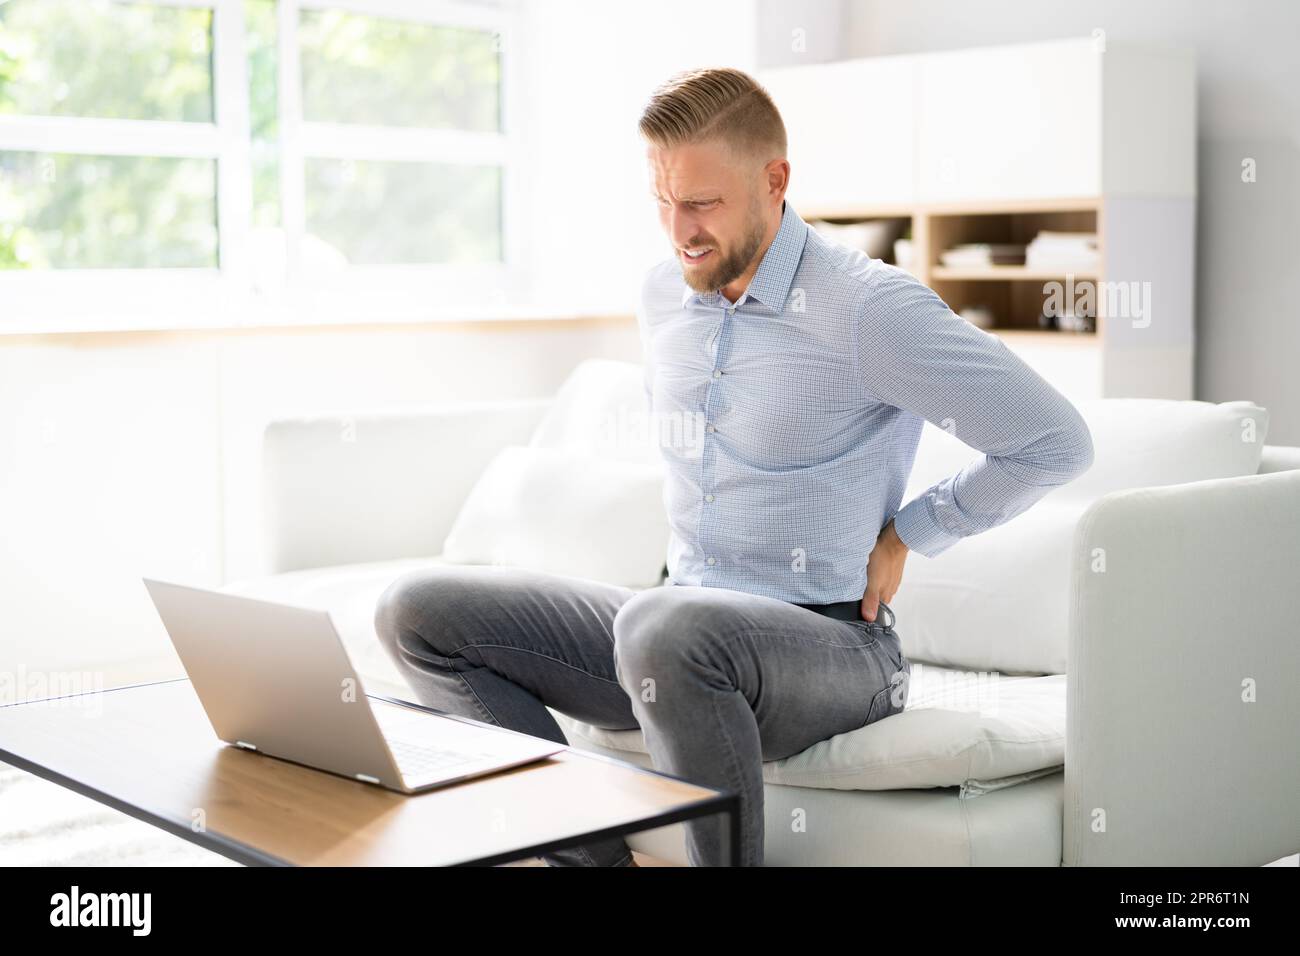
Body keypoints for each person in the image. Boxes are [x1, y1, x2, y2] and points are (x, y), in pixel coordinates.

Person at [374, 67, 1094, 867]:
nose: (678, 229)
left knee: (664, 628)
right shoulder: (662, 295)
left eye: (702, 204)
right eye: (662, 200)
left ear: (774, 181)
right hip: (676, 633)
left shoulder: (868, 309)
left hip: (833, 651)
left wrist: (909, 534)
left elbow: (1052, 439)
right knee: (418, 610)